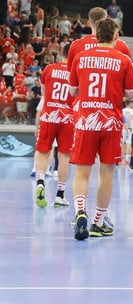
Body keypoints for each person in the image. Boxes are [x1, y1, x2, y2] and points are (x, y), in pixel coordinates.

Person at [68, 18, 133, 240]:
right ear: (116, 37)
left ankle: (80, 211)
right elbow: (131, 94)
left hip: (86, 120)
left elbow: (73, 91)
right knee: (107, 173)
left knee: (82, 172)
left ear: (96, 35)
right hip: (110, 122)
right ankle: (98, 222)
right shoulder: (124, 60)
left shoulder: (80, 57)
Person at [33, 43, 74, 208]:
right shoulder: (75, 73)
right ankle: (60, 195)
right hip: (68, 118)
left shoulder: (49, 69)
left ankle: (41, 182)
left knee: (42, 151)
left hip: (49, 115)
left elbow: (44, 94)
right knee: (64, 156)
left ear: (61, 53)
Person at [67, 7, 132, 71]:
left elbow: (70, 77)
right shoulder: (121, 45)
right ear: (107, 22)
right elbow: (131, 76)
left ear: (89, 23)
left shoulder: (76, 45)